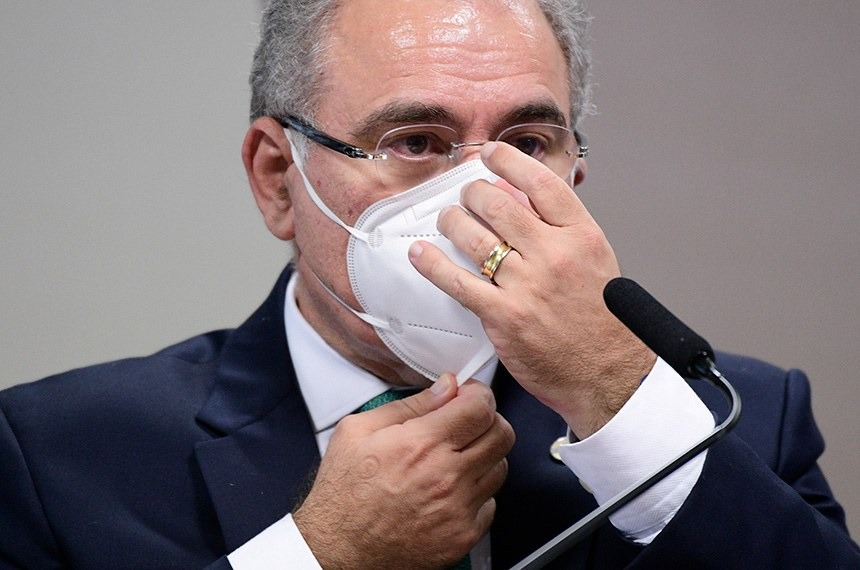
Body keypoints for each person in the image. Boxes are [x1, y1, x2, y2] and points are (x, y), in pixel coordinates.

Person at [1, 0, 857, 568]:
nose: (480, 197)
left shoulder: (742, 417)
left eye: (527, 144)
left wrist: (616, 397)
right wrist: (317, 555)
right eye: (415, 140)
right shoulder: (55, 453)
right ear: (276, 177)